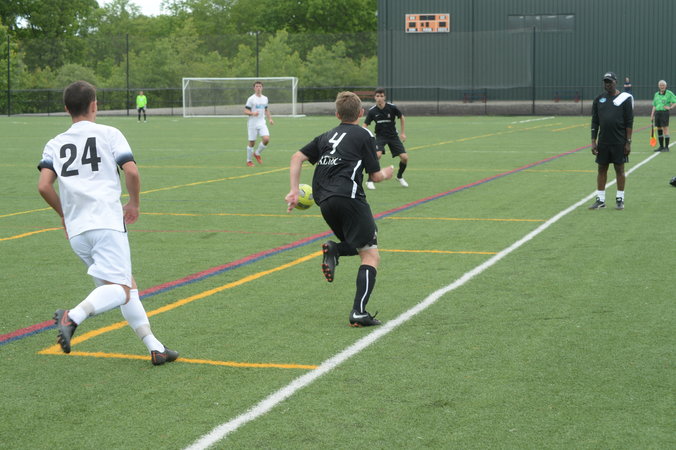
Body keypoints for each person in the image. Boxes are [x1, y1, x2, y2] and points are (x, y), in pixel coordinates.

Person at [37, 80, 178, 366]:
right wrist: (134, 203)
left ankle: (155, 347)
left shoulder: (54, 143)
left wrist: (64, 215)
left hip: (77, 232)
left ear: (66, 109)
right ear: (94, 105)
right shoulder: (109, 133)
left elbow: (43, 186)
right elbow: (132, 172)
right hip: (106, 222)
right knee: (121, 289)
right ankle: (72, 316)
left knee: (125, 285)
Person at [285, 91, 394, 327]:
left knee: (361, 243)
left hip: (324, 200)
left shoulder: (327, 136)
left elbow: (296, 157)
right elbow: (375, 175)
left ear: (337, 114)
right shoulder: (365, 134)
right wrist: (386, 173)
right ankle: (358, 312)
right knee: (370, 254)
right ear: (361, 113)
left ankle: (335, 249)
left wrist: (294, 191)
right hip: (348, 196)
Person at [589, 72, 633, 211]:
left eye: (610, 82)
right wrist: (593, 141)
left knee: (619, 169)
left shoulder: (624, 99)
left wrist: (628, 142)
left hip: (619, 141)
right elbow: (595, 121)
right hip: (603, 141)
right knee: (601, 169)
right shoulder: (599, 99)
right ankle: (600, 200)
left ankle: (620, 199)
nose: (607, 84)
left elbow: (629, 122)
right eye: (605, 82)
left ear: (615, 82)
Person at [362, 88, 409, 190]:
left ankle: (399, 176)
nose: (379, 98)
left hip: (393, 136)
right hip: (380, 137)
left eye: (381, 96)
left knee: (405, 158)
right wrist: (363, 135)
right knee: (377, 155)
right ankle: (370, 180)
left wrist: (403, 133)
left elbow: (402, 117)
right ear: (375, 97)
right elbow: (365, 125)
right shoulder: (372, 111)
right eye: (377, 96)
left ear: (384, 97)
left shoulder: (392, 108)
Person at [244, 81, 274, 167]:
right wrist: (252, 113)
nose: (258, 88)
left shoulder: (265, 98)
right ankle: (249, 161)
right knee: (252, 142)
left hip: (261, 122)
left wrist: (270, 119)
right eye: (256, 86)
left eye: (260, 86)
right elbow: (245, 111)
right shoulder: (251, 99)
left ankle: (257, 153)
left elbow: (266, 109)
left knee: (266, 139)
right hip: (252, 123)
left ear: (262, 88)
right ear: (254, 88)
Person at [650, 80, 676, 152]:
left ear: (666, 86)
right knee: (659, 129)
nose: (662, 86)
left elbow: (675, 101)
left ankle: (666, 147)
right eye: (660, 85)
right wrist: (652, 115)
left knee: (665, 129)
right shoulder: (656, 94)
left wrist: (670, 107)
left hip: (664, 113)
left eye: (663, 85)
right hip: (657, 113)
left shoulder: (669, 93)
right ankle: (661, 146)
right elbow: (654, 105)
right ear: (658, 86)